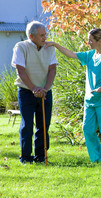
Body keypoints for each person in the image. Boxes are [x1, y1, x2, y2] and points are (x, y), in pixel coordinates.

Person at [45, 29, 101, 162]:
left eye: (91, 40)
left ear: (99, 41)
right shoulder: (90, 55)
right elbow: (71, 54)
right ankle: (96, 157)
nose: (88, 42)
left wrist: (100, 89)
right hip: (89, 100)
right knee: (87, 128)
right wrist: (55, 44)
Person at [11, 21, 57, 164]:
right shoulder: (21, 47)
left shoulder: (49, 47)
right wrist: (33, 88)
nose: (45, 38)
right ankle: (25, 157)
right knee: (27, 125)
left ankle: (41, 156)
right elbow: (20, 70)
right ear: (31, 36)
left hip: (45, 91)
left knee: (44, 125)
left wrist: (45, 89)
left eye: (45, 34)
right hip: (26, 92)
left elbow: (52, 69)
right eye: (42, 35)